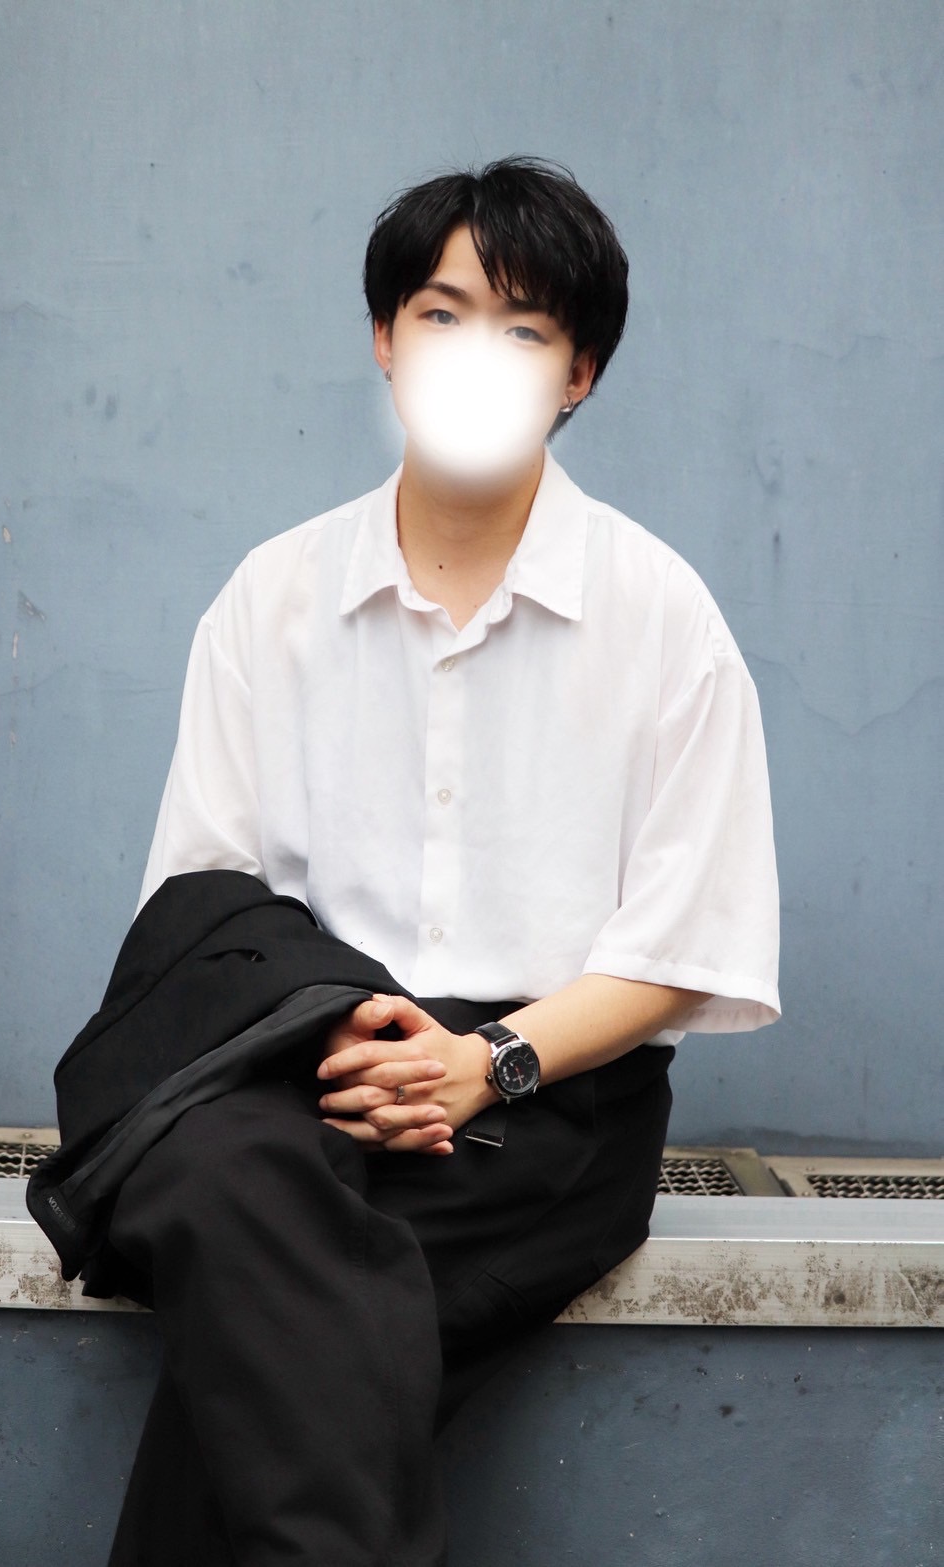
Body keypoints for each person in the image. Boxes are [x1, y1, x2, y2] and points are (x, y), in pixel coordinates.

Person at [107, 156, 780, 1565]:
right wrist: (341, 1036)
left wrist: (489, 1062)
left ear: (577, 374)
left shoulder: (661, 616)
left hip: (549, 1097)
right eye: (441, 313)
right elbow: (204, 900)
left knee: (266, 1329)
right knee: (220, 1178)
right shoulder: (273, 597)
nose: (476, 355)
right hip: (310, 1065)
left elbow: (684, 942)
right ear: (384, 338)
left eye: (523, 328)